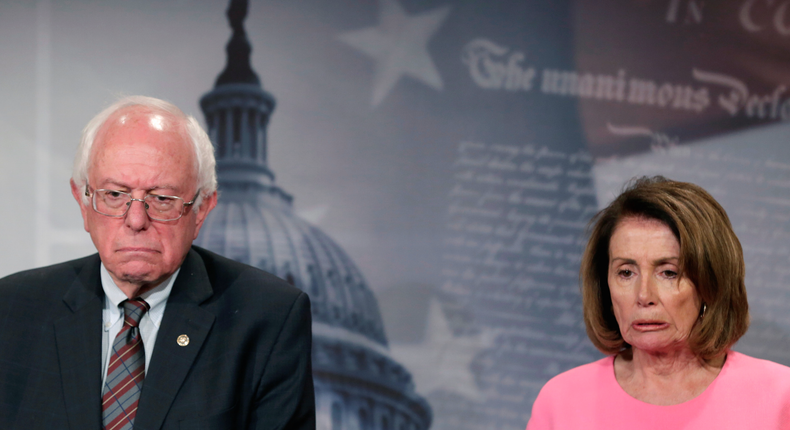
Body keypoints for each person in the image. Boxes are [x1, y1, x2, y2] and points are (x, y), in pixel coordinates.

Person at [0, 96, 315, 430]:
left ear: (202, 209)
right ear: (83, 201)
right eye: (114, 195)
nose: (136, 220)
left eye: (162, 199)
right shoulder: (11, 310)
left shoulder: (267, 317)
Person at [526, 176, 790, 430]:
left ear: (711, 283)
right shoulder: (561, 401)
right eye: (626, 273)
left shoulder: (780, 397)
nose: (643, 296)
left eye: (668, 272)